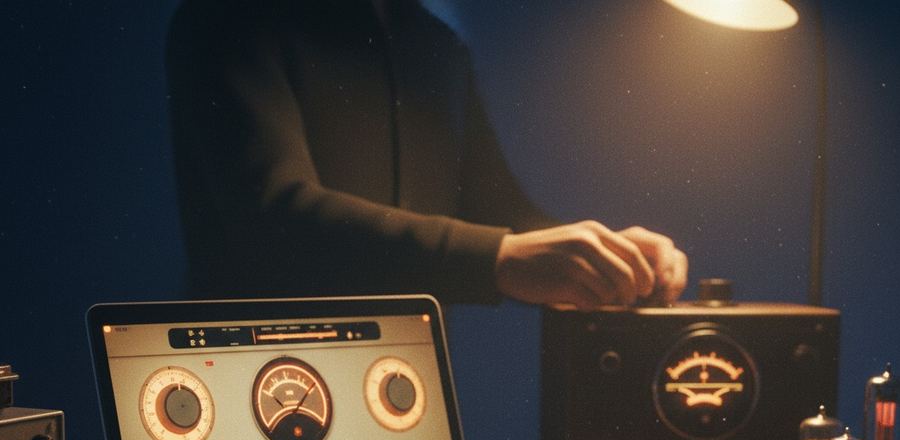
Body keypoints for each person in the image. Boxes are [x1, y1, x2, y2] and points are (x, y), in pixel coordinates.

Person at [167, 0, 687, 310]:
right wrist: (497, 258)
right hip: (256, 384)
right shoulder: (229, 17)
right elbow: (274, 214)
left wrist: (604, 255)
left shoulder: (435, 45)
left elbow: (494, 207)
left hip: (402, 398)